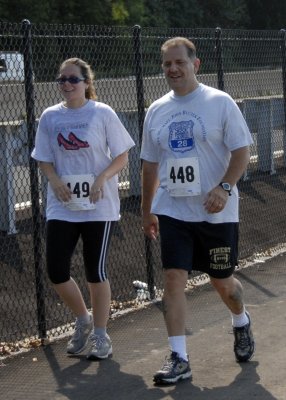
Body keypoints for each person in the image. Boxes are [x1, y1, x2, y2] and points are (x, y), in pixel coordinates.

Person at [140, 37, 255, 384]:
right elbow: (149, 164)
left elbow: (241, 151)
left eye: (179, 62)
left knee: (224, 285)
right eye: (166, 64)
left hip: (216, 212)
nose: (173, 69)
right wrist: (147, 210)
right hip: (174, 210)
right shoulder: (156, 110)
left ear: (195, 64)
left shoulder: (219, 103)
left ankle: (241, 321)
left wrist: (224, 187)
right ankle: (179, 356)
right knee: (174, 278)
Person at [32, 58, 135, 360]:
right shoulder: (50, 116)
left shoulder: (101, 112)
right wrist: (54, 180)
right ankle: (82, 320)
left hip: (97, 205)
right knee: (56, 269)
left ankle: (101, 335)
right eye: (61, 79)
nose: (66, 84)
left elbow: (122, 156)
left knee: (95, 270)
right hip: (63, 205)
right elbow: (44, 157)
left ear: (87, 83)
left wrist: (102, 177)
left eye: (73, 79)